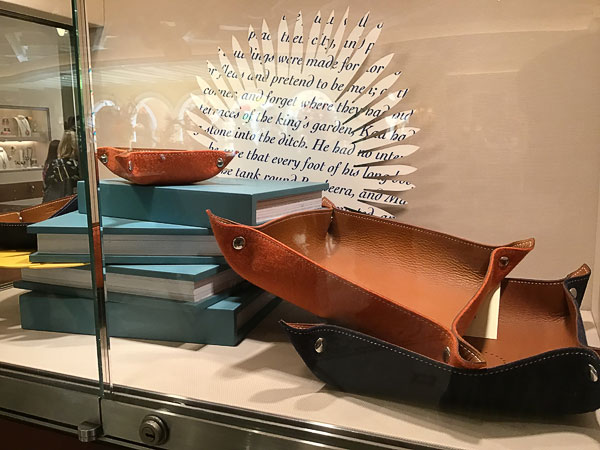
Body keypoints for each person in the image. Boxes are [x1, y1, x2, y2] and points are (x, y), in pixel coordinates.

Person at [42, 130, 80, 202]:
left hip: (60, 202)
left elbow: (47, 184)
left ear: (62, 146)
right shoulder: (80, 164)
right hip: (77, 200)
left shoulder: (55, 164)